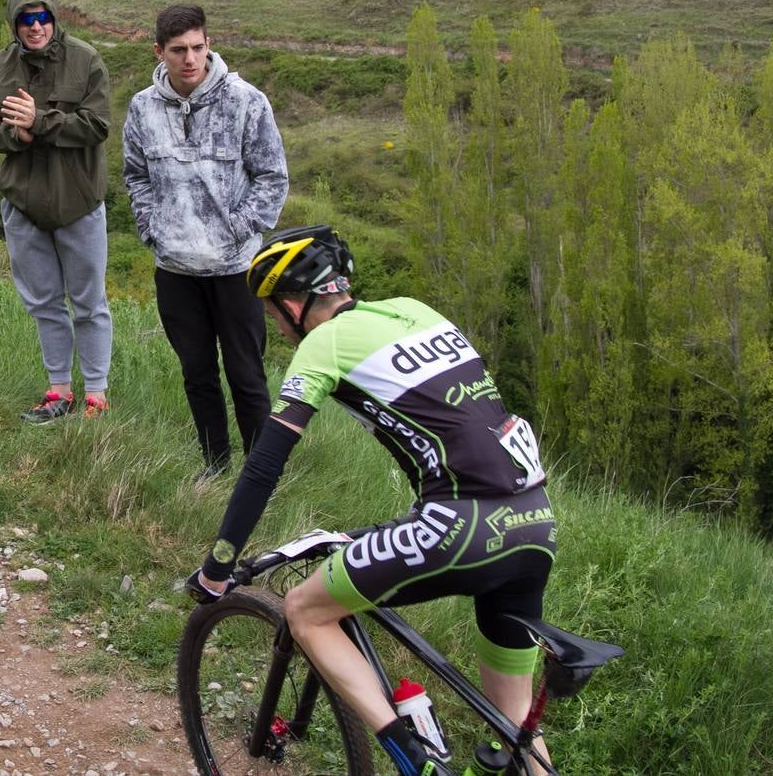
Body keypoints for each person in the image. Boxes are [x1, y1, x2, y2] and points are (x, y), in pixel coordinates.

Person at [185, 225, 557, 776]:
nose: (275, 326)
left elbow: (266, 462)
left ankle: (414, 761)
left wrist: (218, 564)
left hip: (458, 523)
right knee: (517, 719)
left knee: (305, 611)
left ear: (292, 304)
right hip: (535, 521)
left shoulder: (323, 343)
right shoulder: (416, 309)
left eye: (271, 313)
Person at [122, 4, 288, 481]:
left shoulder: (246, 101)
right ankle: (214, 466)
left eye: (197, 47)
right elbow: (135, 175)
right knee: (197, 375)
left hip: (235, 268)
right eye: (178, 51)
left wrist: (237, 229)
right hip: (174, 269)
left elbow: (272, 177)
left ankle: (261, 477)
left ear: (208, 45)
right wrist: (153, 227)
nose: (189, 59)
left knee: (247, 376)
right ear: (160, 52)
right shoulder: (143, 108)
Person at [0, 0, 112, 423]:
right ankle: (58, 393)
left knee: (89, 303)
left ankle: (95, 395)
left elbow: (97, 126)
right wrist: (16, 133)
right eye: (25, 19)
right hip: (23, 204)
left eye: (42, 17)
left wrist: (43, 121)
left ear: (54, 17)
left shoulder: (86, 60)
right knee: (45, 304)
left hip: (79, 202)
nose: (35, 27)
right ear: (14, 24)